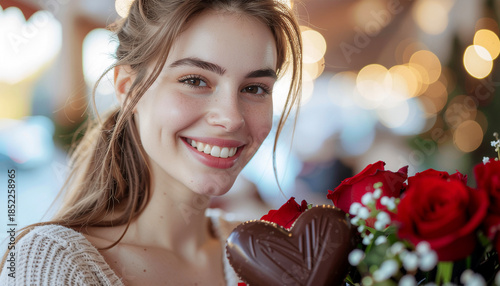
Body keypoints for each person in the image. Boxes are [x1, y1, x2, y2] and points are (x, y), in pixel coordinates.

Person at [0, 0, 302, 285]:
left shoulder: (264, 252)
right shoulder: (54, 264)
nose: (231, 118)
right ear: (128, 88)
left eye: (254, 88)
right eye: (195, 80)